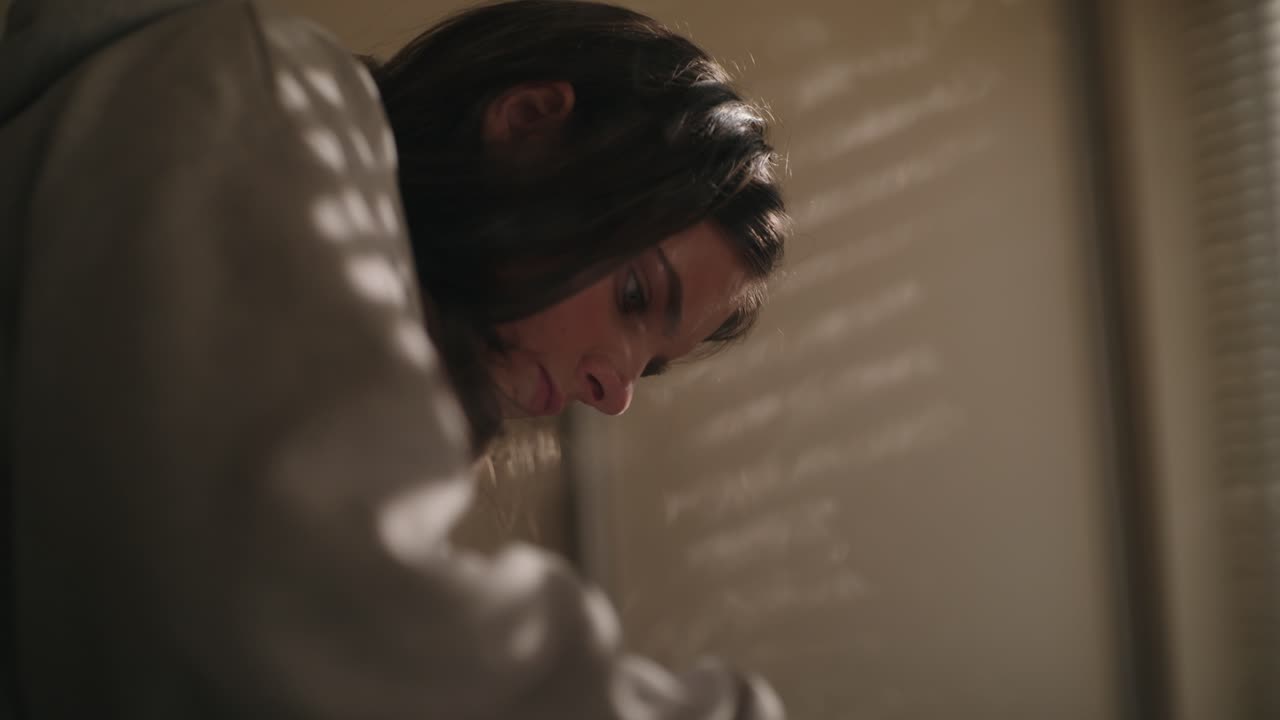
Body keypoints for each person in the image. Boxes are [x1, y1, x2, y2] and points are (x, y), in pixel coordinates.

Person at [0, 0, 789, 717]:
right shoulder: (273, 88)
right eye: (634, 296)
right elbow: (289, 608)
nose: (614, 393)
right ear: (526, 121)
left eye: (649, 367)